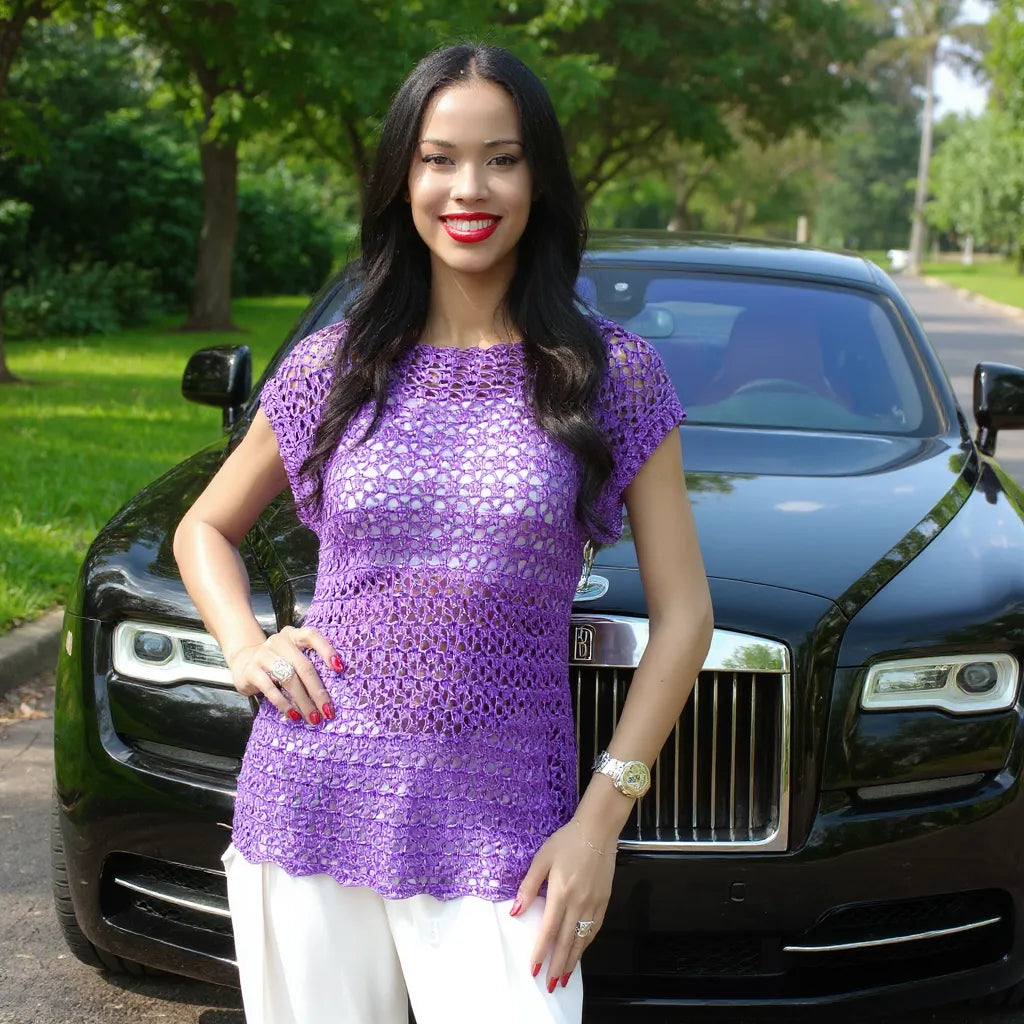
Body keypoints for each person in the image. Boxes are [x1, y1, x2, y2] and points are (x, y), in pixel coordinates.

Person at [172, 42, 713, 1024]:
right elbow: (205, 526)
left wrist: (601, 821)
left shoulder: (612, 377)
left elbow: (685, 616)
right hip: (310, 797)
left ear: (539, 177)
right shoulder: (331, 367)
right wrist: (245, 644)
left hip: (502, 822)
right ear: (401, 178)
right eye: (438, 158)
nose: (469, 187)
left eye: (501, 158)